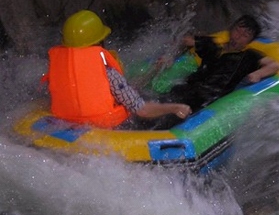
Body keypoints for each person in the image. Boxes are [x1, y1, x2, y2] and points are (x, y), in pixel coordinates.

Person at [45, 10, 192, 130]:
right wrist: (174, 108)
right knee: (165, 103)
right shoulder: (108, 73)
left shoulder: (58, 70)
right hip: (110, 128)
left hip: (70, 124)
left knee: (134, 89)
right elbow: (142, 110)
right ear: (99, 41)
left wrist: (154, 70)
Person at [165, 15, 279, 111]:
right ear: (231, 29)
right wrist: (171, 57)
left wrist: (258, 74)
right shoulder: (213, 45)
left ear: (250, 41)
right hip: (187, 88)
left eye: (245, 36)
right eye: (237, 30)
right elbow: (185, 40)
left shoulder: (249, 56)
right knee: (166, 98)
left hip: (207, 98)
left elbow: (274, 65)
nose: (238, 36)